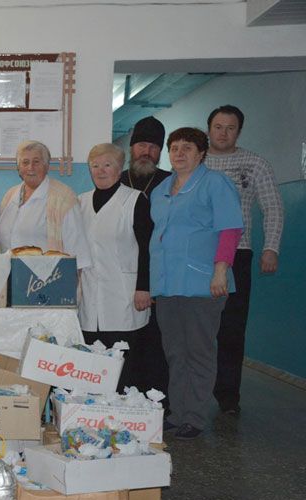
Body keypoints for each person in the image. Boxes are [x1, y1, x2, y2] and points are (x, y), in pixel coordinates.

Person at [150, 127, 243, 440]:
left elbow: (230, 230)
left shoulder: (215, 183)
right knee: (175, 353)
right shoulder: (161, 189)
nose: (179, 153)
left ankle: (194, 417)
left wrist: (220, 271)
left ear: (201, 153)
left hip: (203, 282)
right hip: (167, 283)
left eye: (187, 148)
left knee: (198, 352)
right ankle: (177, 414)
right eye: (174, 148)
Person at [205, 105, 284, 415]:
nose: (223, 133)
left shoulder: (255, 164)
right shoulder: (196, 161)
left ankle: (228, 396)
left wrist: (271, 248)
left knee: (232, 329)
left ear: (239, 131)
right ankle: (185, 394)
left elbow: (273, 207)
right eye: (218, 127)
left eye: (231, 128)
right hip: (197, 255)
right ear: (208, 129)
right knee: (192, 328)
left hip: (238, 254)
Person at [79, 143, 152, 391]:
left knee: (123, 362)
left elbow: (147, 248)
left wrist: (144, 287)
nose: (100, 170)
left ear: (120, 168)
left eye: (107, 165)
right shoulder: (81, 202)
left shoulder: (134, 200)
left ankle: (123, 405)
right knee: (93, 361)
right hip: (90, 293)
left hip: (125, 294)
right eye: (95, 165)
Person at [119, 116, 172, 400]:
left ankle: (157, 401)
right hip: (121, 274)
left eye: (153, 147)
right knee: (127, 341)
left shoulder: (169, 183)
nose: (146, 152)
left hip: (159, 274)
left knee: (156, 342)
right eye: (141, 145)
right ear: (131, 148)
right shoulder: (117, 180)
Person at [0, 141, 91, 269]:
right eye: (25, 162)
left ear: (46, 166)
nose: (30, 167)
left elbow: (77, 251)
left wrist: (73, 277)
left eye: (36, 162)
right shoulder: (10, 195)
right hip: (9, 274)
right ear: (19, 168)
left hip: (47, 276)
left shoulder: (64, 197)